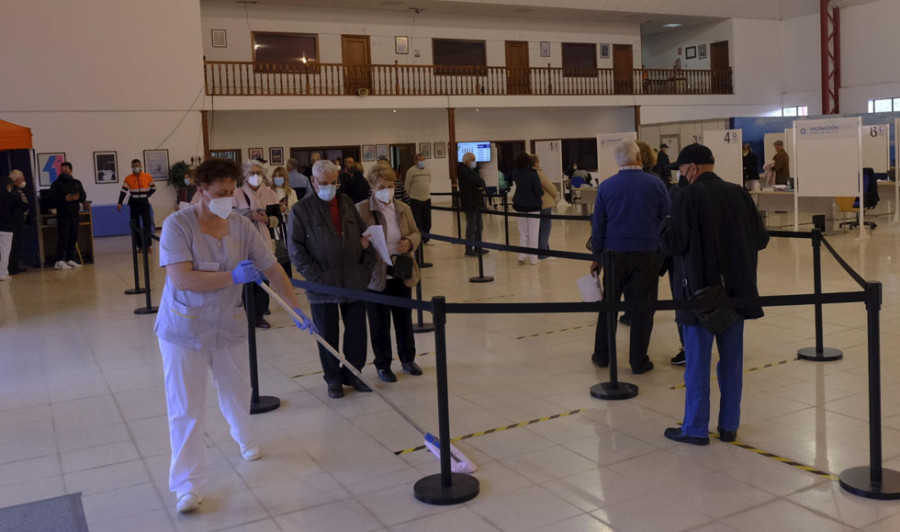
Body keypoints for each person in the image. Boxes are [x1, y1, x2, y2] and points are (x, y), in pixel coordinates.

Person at [154, 158, 313, 514]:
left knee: (238, 390)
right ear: (200, 191)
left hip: (227, 323)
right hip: (184, 329)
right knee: (186, 407)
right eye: (220, 193)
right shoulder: (177, 226)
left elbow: (272, 268)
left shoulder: (241, 227)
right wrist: (233, 278)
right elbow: (183, 279)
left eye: (231, 192)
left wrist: (296, 308)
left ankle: (244, 436)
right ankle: (188, 485)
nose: (228, 199)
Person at [660, 144, 769, 445]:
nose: (681, 175)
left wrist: (665, 223)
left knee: (697, 363)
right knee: (732, 362)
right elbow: (761, 239)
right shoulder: (739, 194)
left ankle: (695, 428)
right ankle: (729, 426)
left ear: (692, 168)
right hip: (737, 293)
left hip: (698, 296)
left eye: (681, 170)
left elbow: (674, 245)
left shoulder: (684, 197)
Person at [288, 159, 377, 399]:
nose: (329, 187)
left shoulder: (347, 203)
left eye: (333, 182)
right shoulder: (301, 210)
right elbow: (295, 250)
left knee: (357, 333)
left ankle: (354, 374)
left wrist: (364, 269)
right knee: (327, 335)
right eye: (324, 183)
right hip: (322, 284)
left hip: (353, 279)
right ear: (314, 182)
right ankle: (333, 380)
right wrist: (316, 276)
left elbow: (364, 236)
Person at [590, 140, 670, 375]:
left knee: (609, 307)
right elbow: (666, 220)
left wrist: (597, 255)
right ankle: (638, 361)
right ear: (639, 157)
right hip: (647, 254)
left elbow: (599, 225)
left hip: (614, 255)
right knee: (643, 309)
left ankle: (602, 355)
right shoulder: (656, 184)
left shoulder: (606, 186)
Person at [356, 165, 424, 382]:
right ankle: (383, 364)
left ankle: (408, 359)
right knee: (379, 324)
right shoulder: (363, 209)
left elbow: (416, 233)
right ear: (372, 187)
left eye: (390, 185)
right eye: (381, 187)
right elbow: (355, 242)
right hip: (377, 276)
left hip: (401, 272)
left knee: (403, 320)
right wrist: (363, 243)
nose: (387, 190)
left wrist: (409, 242)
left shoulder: (403, 207)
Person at [233, 160, 280, 329]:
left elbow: (278, 219)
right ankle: (246, 315)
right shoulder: (237, 193)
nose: (255, 177)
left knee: (263, 278)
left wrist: (266, 219)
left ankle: (259, 314)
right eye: (251, 173)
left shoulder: (270, 193)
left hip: (265, 239)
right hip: (243, 240)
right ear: (244, 177)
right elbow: (230, 215)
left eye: (258, 173)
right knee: (246, 279)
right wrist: (248, 214)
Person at [49, 162, 86, 270]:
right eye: (63, 171)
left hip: (74, 213)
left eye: (66, 171)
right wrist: (64, 198)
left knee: (73, 236)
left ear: (71, 171)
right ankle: (59, 260)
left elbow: (83, 196)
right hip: (63, 214)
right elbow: (51, 199)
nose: (64, 173)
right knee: (63, 236)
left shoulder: (77, 183)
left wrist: (77, 198)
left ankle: (70, 258)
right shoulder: (56, 184)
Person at [510, 152, 543, 265]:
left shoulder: (516, 173)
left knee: (523, 232)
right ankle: (534, 258)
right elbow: (539, 191)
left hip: (520, 205)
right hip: (533, 206)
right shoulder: (533, 174)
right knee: (534, 232)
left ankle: (522, 255)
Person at [118, 158, 157, 254]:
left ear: (141, 166)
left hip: (144, 203)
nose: (136, 167)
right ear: (132, 167)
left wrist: (147, 195)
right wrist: (120, 202)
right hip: (134, 203)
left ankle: (148, 246)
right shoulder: (128, 178)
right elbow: (123, 191)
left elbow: (153, 188)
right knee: (135, 225)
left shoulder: (148, 176)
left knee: (147, 224)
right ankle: (139, 246)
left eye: (137, 165)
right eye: (134, 166)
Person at [0, 171, 29, 281]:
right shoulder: (11, 196)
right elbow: (23, 205)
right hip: (6, 227)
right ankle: (3, 273)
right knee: (5, 250)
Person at [457, 152, 487, 257]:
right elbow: (479, 182)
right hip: (470, 203)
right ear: (467, 160)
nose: (474, 162)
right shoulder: (465, 171)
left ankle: (478, 247)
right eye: (473, 160)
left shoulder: (469, 171)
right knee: (472, 226)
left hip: (475, 203)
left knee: (479, 226)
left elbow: (480, 183)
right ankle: (469, 249)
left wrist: (480, 186)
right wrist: (480, 185)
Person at [270, 166, 296, 279]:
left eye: (280, 177)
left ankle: (288, 279)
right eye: (276, 177)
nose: (278, 179)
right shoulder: (270, 192)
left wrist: (286, 209)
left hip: (286, 225)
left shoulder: (291, 192)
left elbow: (295, 209)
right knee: (275, 253)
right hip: (274, 226)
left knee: (286, 254)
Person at [532, 154, 559, 261]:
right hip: (545, 203)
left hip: (536, 205)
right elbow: (549, 186)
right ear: (536, 162)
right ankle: (543, 253)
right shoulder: (539, 173)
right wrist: (555, 193)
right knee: (545, 228)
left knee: (540, 229)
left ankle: (545, 250)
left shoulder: (528, 173)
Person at [405, 153, 432, 244]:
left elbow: (428, 181)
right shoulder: (411, 171)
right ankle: (418, 239)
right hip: (415, 199)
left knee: (427, 221)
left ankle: (426, 239)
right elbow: (407, 185)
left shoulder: (427, 170)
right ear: (415, 161)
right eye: (419, 160)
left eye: (423, 160)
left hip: (426, 199)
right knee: (417, 221)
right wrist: (408, 197)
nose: (421, 162)